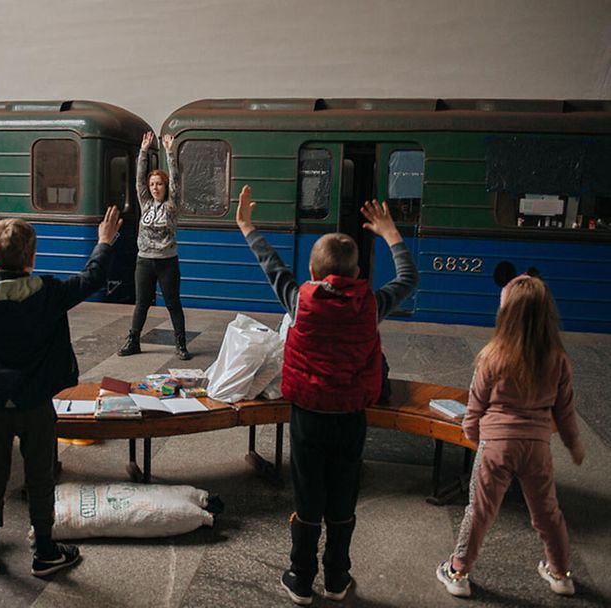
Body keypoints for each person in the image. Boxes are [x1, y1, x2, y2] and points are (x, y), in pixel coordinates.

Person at [236, 186, 418, 605]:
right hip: (351, 415)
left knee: (308, 495)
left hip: (308, 415)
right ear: (355, 274)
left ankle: (301, 579)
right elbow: (409, 278)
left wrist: (248, 226)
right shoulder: (370, 305)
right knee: (343, 494)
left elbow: (272, 265)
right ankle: (337, 579)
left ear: (314, 274)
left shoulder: (300, 302)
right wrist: (391, 234)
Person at [0, 206, 122, 577]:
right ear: (32, 258)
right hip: (36, 403)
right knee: (40, 475)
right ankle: (45, 550)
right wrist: (103, 242)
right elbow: (93, 276)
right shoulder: (48, 293)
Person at [436, 275, 584, 598]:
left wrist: (473, 435)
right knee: (547, 512)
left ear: (505, 314)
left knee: (479, 511)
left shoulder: (492, 356)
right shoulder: (558, 359)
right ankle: (561, 574)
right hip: (537, 448)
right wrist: (573, 444)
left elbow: (475, 406)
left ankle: (458, 571)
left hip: (496, 446)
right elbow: (565, 410)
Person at [117, 131, 191, 360]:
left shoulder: (172, 204)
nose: (155, 187)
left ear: (165, 186)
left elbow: (176, 179)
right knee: (141, 304)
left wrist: (169, 152)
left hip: (167, 261)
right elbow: (138, 179)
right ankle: (134, 340)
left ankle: (180, 344)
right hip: (144, 260)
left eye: (159, 184)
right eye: (152, 184)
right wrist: (143, 151)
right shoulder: (145, 202)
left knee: (173, 303)